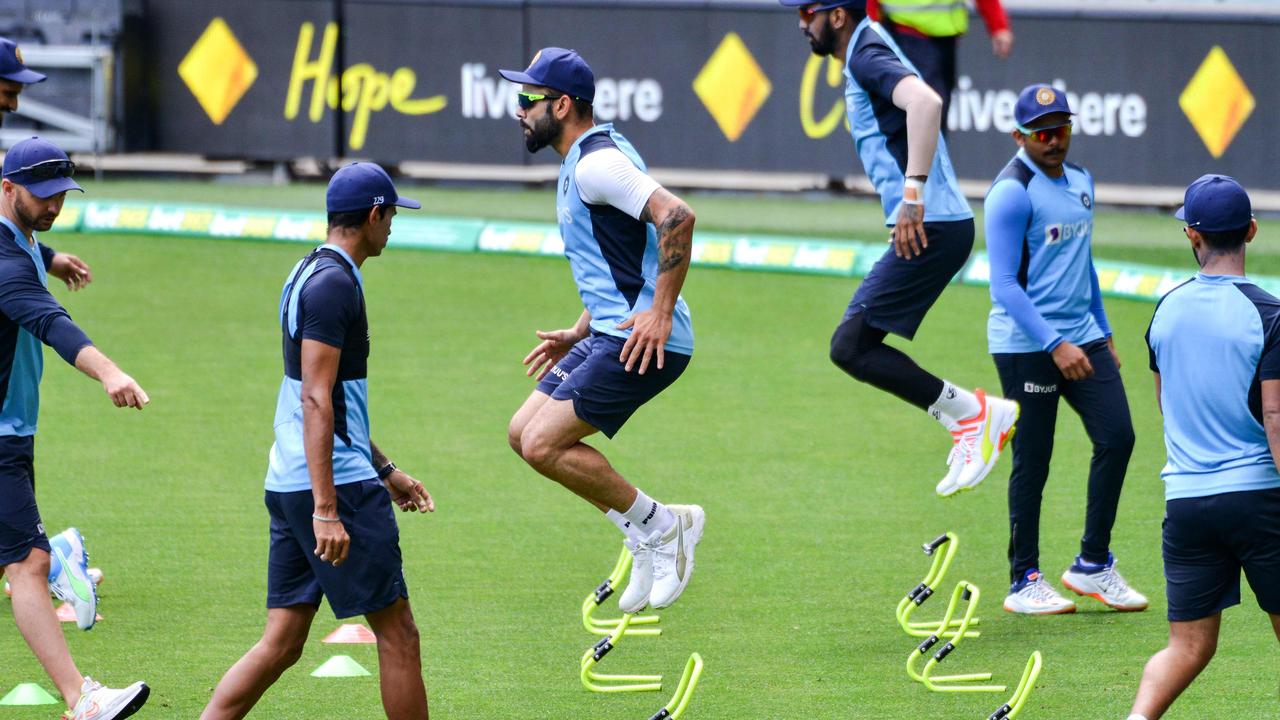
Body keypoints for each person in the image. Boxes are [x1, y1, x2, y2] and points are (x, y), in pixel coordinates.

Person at [201, 164, 435, 720]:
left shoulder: (307, 271)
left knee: (281, 642)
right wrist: (327, 510)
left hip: (290, 481)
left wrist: (386, 468)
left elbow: (332, 404)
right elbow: (315, 399)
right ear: (374, 215)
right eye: (393, 214)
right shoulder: (335, 286)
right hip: (331, 490)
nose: (394, 226)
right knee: (399, 634)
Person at [782, 1, 1018, 497]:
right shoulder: (866, 49)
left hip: (934, 223)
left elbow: (927, 104)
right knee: (853, 346)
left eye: (808, 12)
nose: (802, 23)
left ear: (838, 17)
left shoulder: (865, 51)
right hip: (934, 223)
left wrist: (913, 195)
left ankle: (974, 417)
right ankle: (971, 417)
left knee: (850, 347)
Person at [500, 48, 704, 614]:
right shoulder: (584, 160)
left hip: (644, 339)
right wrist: (580, 328)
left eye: (528, 100)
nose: (518, 110)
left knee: (544, 444)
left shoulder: (595, 164)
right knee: (522, 433)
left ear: (562, 105)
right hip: (609, 330)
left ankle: (665, 526)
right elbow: (620, 256)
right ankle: (644, 533)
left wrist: (661, 312)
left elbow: (677, 218)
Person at [0, 136, 150, 719]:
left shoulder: (22, 243)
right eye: (43, 197)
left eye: (61, 194)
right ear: (7, 188)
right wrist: (109, 371)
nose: (54, 206)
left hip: (12, 428)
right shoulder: (9, 265)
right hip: (2, 435)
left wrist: (51, 255)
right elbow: (51, 323)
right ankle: (81, 698)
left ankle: (57, 555)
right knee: (28, 566)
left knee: (20, 560)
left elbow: (28, 247)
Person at [984, 84, 1145, 615]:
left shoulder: (1081, 182)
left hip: (1084, 338)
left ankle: (1093, 565)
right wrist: (1055, 344)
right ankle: (1023, 579)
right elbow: (1004, 285)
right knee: (1034, 459)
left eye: (1061, 129)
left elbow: (1084, 263)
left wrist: (1103, 332)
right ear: (1019, 136)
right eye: (1042, 133)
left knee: (1118, 437)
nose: (1054, 141)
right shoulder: (1011, 192)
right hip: (1027, 345)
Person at [1130, 175, 1280, 720]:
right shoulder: (1269, 313)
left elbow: (1167, 403)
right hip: (1260, 497)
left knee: (1187, 647)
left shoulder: (1165, 310)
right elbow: (1275, 416)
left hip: (1187, 503)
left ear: (1192, 236)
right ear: (1252, 232)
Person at [866, 0, 1013, 130]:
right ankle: (917, 161)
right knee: (924, 112)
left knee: (935, 112)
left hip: (945, 36)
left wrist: (997, 24)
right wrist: (869, 28)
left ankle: (928, 160)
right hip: (906, 33)